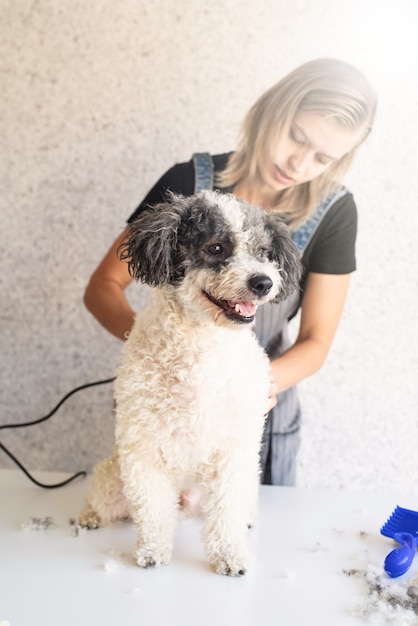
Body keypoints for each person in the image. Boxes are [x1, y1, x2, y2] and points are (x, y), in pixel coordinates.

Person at [84, 58, 377, 487]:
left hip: (256, 410)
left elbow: (316, 341)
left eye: (322, 157)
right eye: (297, 137)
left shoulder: (334, 211)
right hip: (167, 409)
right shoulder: (189, 179)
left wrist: (249, 386)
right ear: (273, 111)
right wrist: (158, 356)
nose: (299, 163)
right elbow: (103, 286)